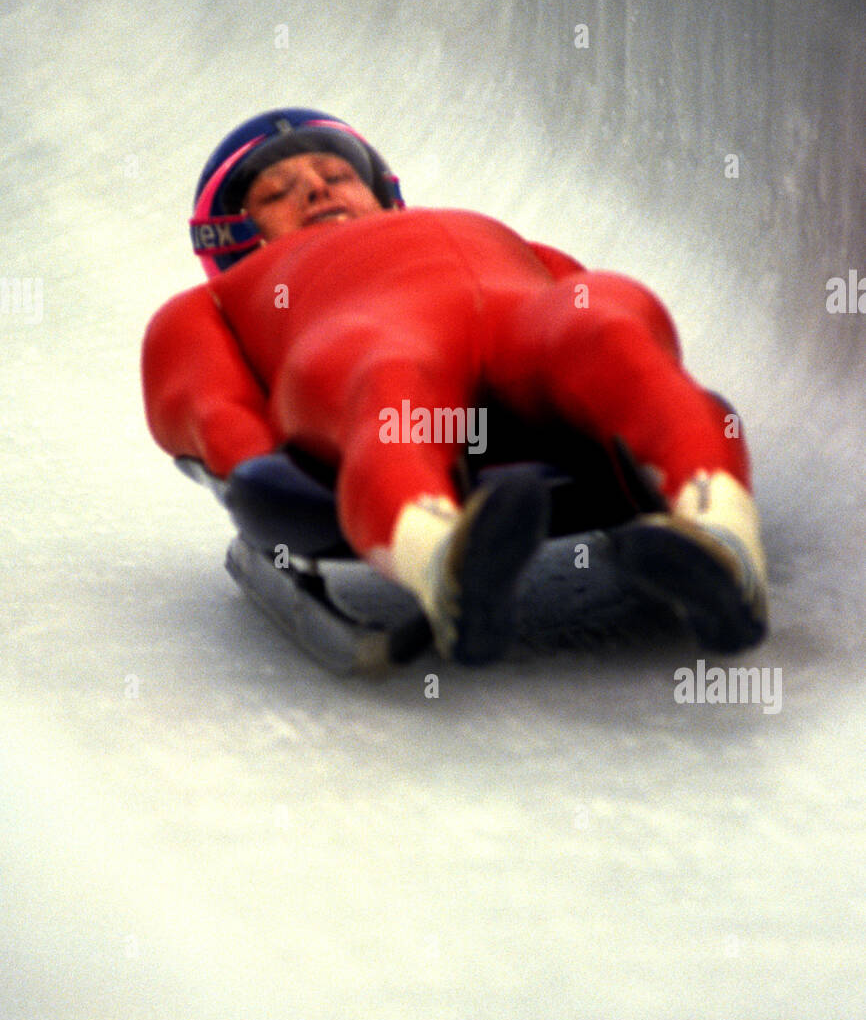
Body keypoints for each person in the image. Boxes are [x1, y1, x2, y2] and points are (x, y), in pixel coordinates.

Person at [141, 107, 768, 664]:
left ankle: (720, 539)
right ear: (234, 238)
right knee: (385, 378)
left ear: (381, 192)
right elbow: (203, 403)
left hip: (529, 324)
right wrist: (264, 478)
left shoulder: (503, 237)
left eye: (337, 176)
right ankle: (445, 560)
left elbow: (591, 298)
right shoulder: (220, 300)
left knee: (604, 324)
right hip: (371, 335)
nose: (314, 187)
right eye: (277, 193)